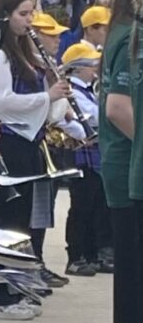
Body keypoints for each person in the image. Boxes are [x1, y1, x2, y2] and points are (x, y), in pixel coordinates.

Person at [0, 0, 70, 319]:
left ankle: (14, 291)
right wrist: (47, 97)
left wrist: (58, 101)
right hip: (4, 144)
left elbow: (40, 107)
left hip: (26, 143)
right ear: (6, 15)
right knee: (1, 217)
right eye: (23, 14)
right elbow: (1, 101)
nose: (30, 20)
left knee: (20, 222)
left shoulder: (23, 52)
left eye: (31, 13)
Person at [99, 0, 138, 323]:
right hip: (129, 177)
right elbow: (119, 109)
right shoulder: (130, 35)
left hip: (129, 172)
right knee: (133, 297)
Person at [59, 43, 104, 276]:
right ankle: (75, 257)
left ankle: (91, 254)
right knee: (81, 209)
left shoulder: (87, 89)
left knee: (95, 207)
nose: (95, 69)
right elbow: (92, 116)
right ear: (78, 68)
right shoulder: (72, 91)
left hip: (94, 155)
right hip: (81, 157)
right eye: (91, 65)